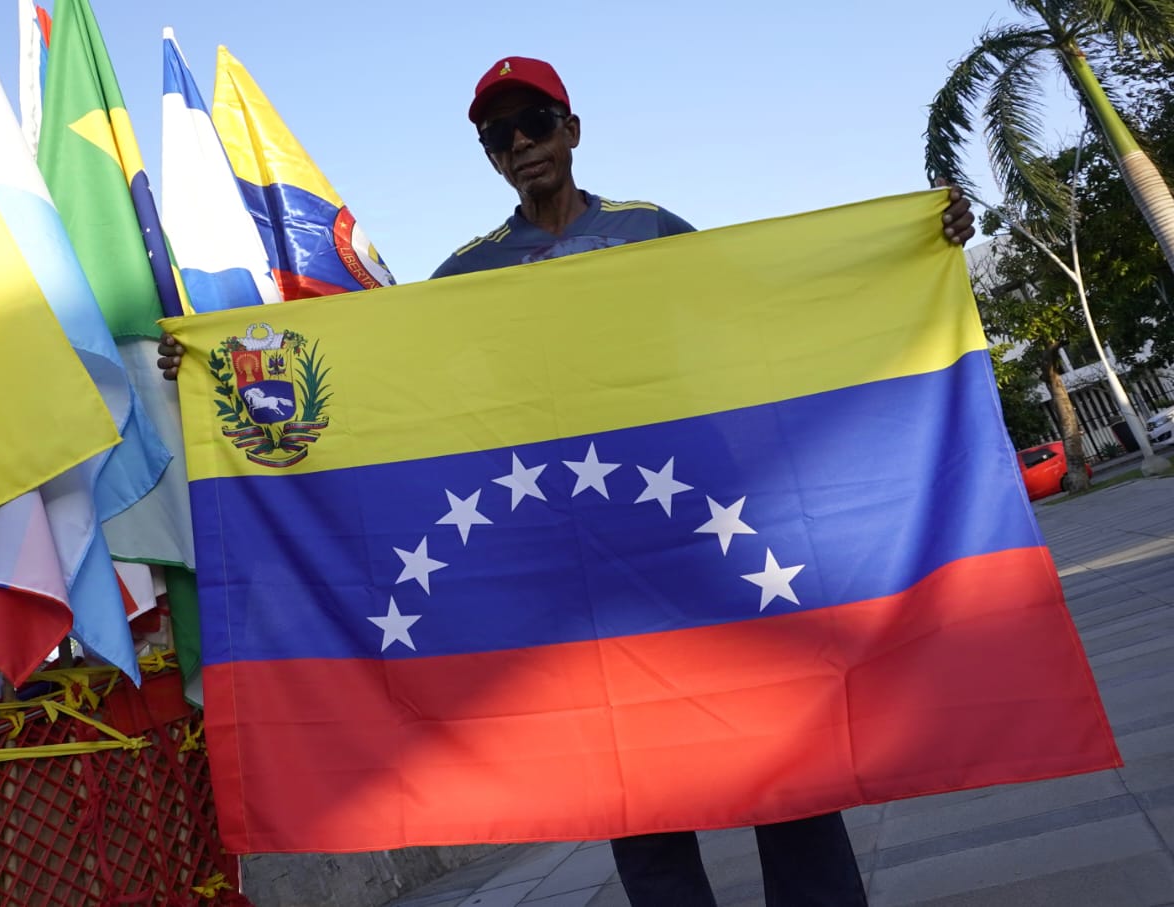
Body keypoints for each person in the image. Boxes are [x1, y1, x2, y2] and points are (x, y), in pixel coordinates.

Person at [157, 54, 975, 907]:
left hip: (698, 537)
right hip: (574, 562)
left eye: (534, 122)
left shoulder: (652, 229)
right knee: (636, 788)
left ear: (572, 130)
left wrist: (912, 247)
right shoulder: (467, 274)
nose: (519, 144)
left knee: (787, 752)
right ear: (489, 156)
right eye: (497, 134)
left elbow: (763, 301)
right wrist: (219, 370)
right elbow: (387, 375)